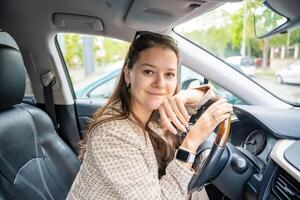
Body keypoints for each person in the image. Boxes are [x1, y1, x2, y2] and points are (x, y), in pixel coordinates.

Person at [67, 31, 233, 200]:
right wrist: (192, 141)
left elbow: (210, 98)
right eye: (148, 72)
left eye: (169, 74)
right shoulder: (112, 134)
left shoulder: (155, 112)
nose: (160, 84)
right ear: (128, 75)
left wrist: (183, 96)